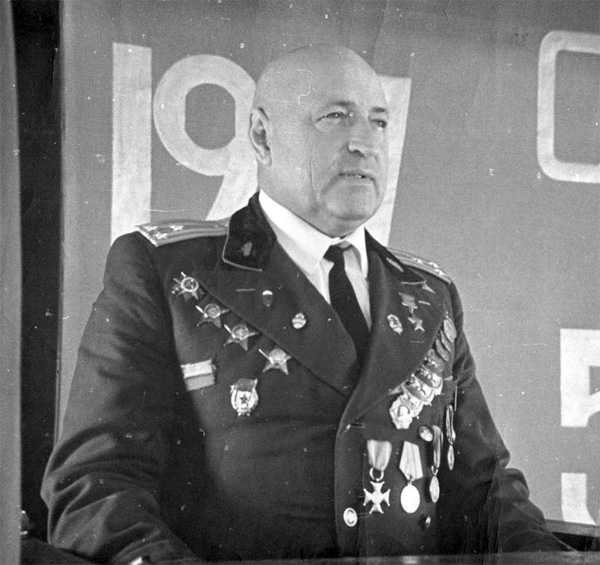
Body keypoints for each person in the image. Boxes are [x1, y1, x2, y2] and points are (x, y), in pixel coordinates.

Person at [42, 44, 569, 564]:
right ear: (262, 136)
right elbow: (95, 486)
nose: (363, 142)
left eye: (379, 122)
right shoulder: (168, 271)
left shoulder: (430, 296)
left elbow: (484, 491)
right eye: (335, 117)